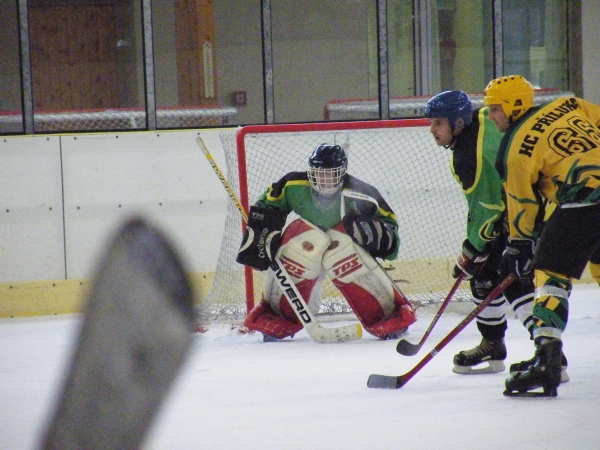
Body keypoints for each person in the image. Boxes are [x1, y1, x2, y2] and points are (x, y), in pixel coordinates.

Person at [483, 74, 600, 397]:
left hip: (583, 203)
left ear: (514, 105)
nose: (491, 117)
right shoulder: (569, 105)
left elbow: (523, 205)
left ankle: (548, 360)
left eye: (496, 109)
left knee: (550, 275)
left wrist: (519, 245)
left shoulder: (514, 150)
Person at [235, 143, 416, 341]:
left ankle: (388, 317)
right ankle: (279, 317)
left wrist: (382, 236)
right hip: (309, 242)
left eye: (331, 174)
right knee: (298, 245)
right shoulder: (292, 185)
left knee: (342, 249)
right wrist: (262, 231)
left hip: (342, 245)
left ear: (342, 172)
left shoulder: (362, 193)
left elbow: (390, 223)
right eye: (319, 174)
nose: (324, 180)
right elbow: (267, 204)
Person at [424, 90, 542, 376]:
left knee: (515, 279)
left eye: (438, 123)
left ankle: (550, 353)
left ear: (458, 122)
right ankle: (492, 345)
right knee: (484, 277)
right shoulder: (482, 117)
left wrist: (472, 249)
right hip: (521, 206)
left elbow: (486, 210)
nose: (432, 130)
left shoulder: (467, 157)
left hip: (531, 211)